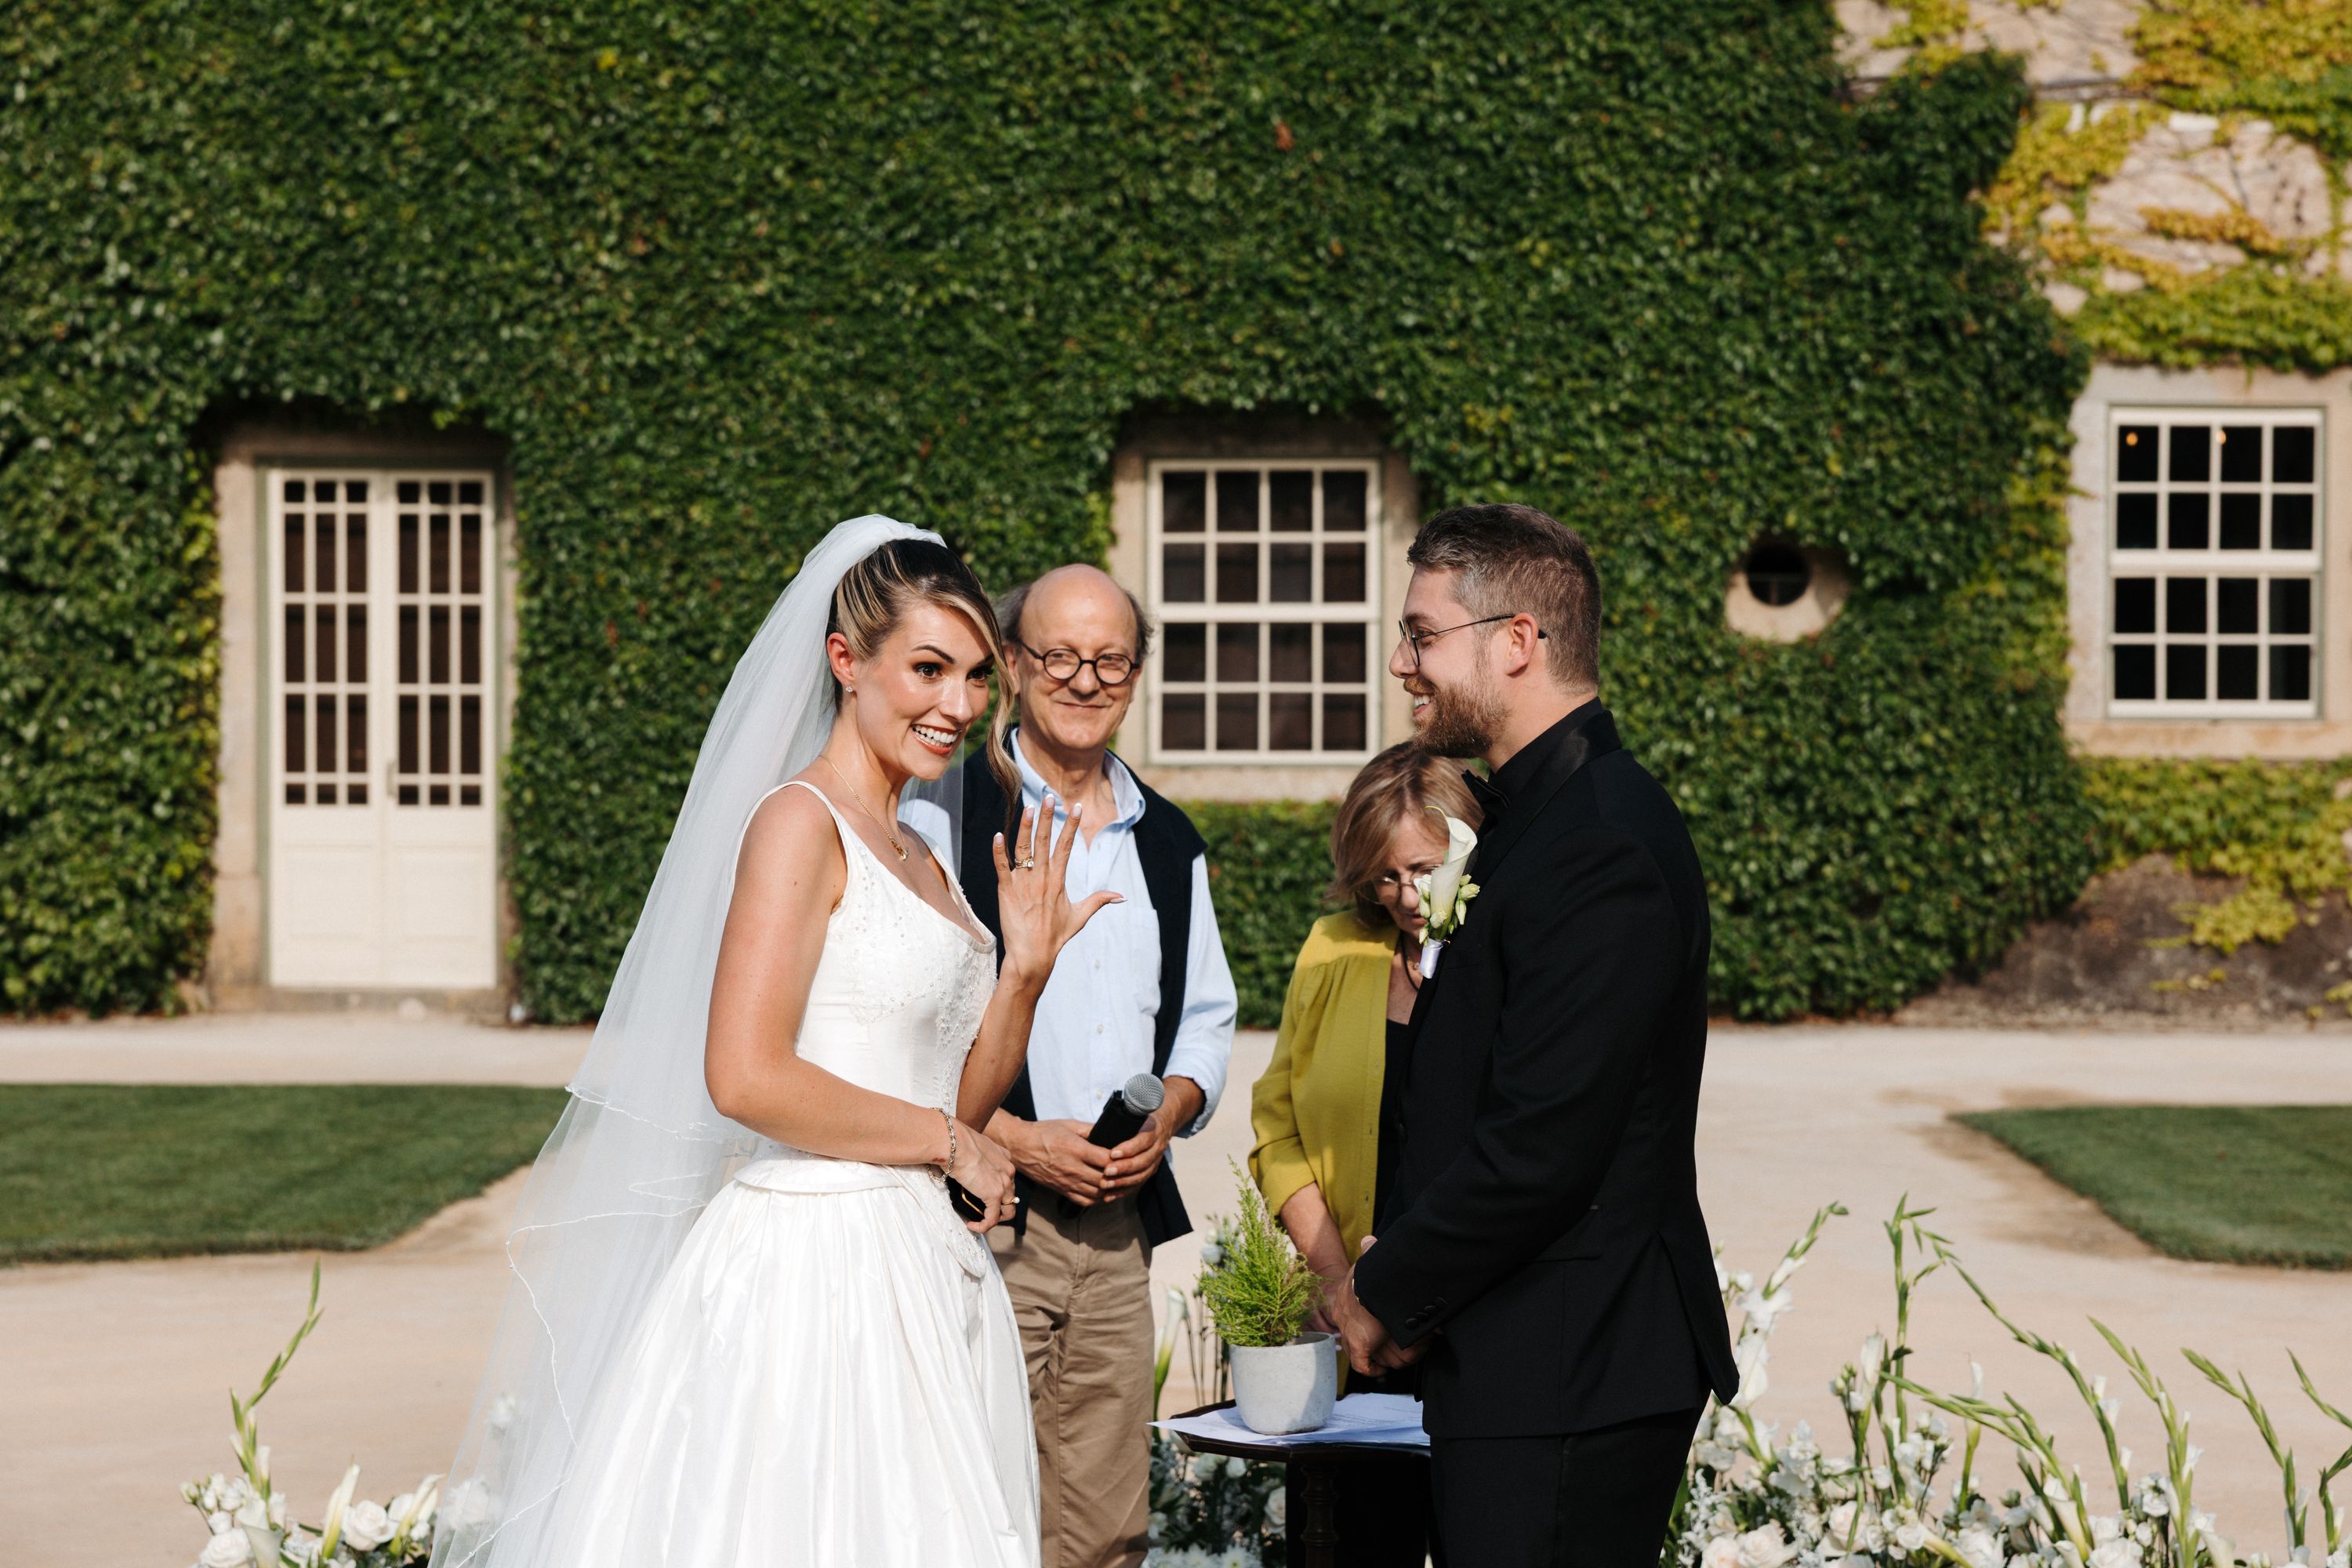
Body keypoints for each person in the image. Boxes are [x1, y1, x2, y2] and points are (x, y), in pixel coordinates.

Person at [430, 519, 1112, 1568]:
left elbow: (959, 1105)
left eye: (977, 676)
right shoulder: (798, 823)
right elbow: (744, 1073)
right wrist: (944, 1141)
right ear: (847, 661)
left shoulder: (925, 844)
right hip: (809, 1277)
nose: (959, 706)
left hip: (923, 1273)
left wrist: (1022, 973)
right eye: (928, 669)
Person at [1324, 503, 1740, 1568]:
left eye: (1422, 634)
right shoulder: (1531, 824)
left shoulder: (1601, 843)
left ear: (1517, 641)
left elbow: (1544, 1143)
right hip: (1521, 1354)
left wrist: (1383, 1288)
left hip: (1575, 1363)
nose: (1399, 662)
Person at [918, 563, 1238, 1568]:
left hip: (1115, 1236)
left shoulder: (1171, 841)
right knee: (978, 1500)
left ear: (1137, 674)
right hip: (982, 1215)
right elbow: (904, 1032)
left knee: (1106, 1527)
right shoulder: (945, 817)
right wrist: (1015, 1135)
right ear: (1013, 664)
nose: (1086, 678)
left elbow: (1205, 1018)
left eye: (1111, 659)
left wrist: (1171, 1108)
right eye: (1060, 655)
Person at [1248, 742, 1479, 1568]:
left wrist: (1411, 1291)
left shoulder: (1503, 953)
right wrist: (1339, 1280)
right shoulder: (1334, 945)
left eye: (1423, 867)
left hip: (1474, 1329)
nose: (1407, 896)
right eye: (1383, 876)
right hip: (1353, 1332)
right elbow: (1278, 1123)